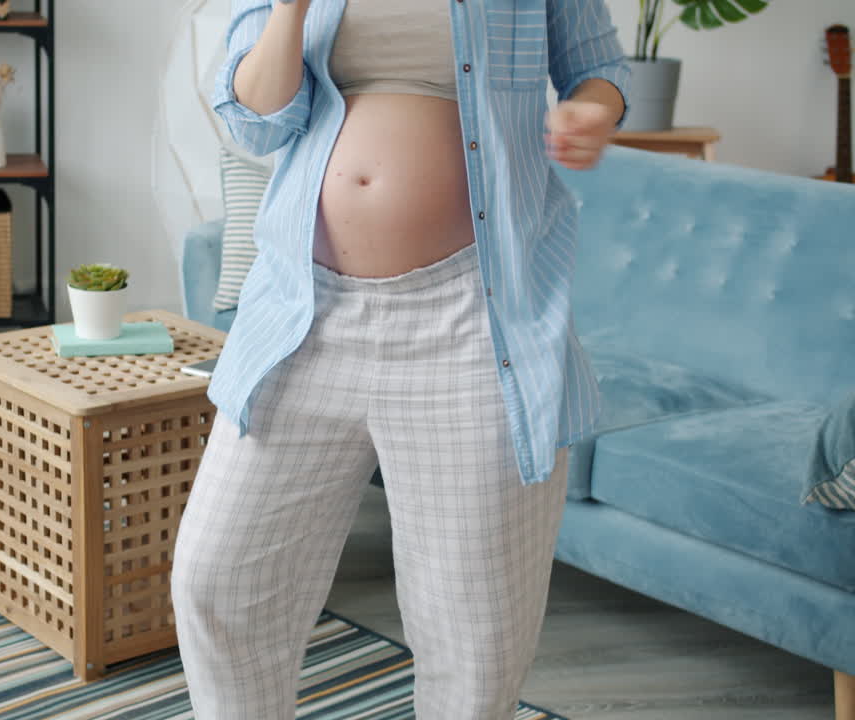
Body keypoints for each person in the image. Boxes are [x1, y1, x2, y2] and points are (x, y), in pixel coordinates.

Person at [169, 0, 629, 717]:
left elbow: (599, 71)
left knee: (472, 635)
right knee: (218, 583)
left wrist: (591, 113)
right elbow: (256, 123)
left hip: (473, 321)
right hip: (304, 316)